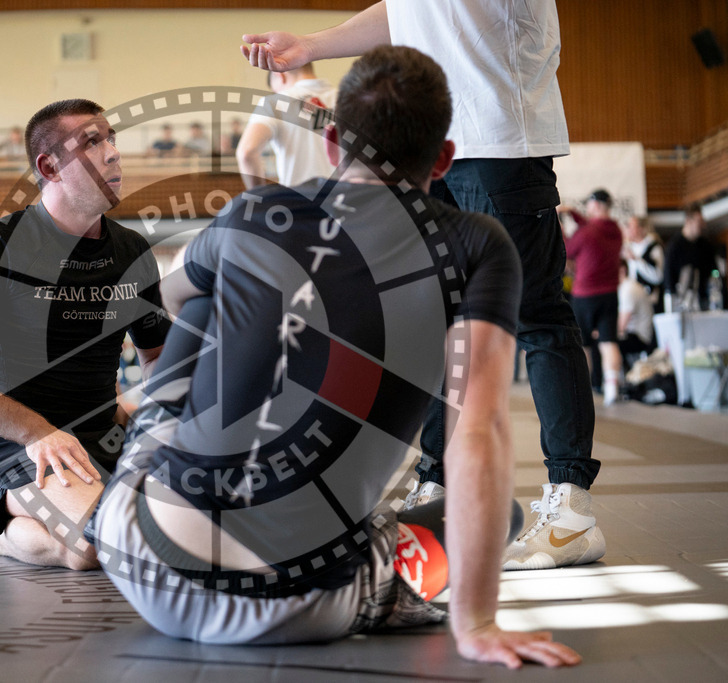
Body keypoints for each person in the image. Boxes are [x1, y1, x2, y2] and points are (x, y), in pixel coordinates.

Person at [94, 45, 579, 669]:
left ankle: (163, 458)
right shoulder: (476, 246)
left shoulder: (249, 211)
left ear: (329, 145)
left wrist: (176, 415)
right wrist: (477, 622)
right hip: (288, 606)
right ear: (444, 160)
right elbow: (477, 433)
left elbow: (157, 302)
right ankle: (385, 575)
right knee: (500, 515)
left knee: (201, 296)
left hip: (141, 555)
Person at [241, 1, 604, 572]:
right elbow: (408, 11)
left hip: (501, 139)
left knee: (536, 318)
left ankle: (572, 510)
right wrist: (312, 45)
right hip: (430, 146)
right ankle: (435, 487)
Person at [0, 98, 170, 571]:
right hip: (17, 446)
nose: (114, 153)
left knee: (196, 515)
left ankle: (40, 526)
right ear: (49, 166)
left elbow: (158, 356)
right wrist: (37, 433)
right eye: (93, 143)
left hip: (106, 437)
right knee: (100, 543)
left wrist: (154, 420)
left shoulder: (132, 251)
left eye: (112, 139)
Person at [561, 189, 624, 406]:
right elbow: (591, 226)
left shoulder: (587, 233)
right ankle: (611, 388)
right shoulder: (616, 231)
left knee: (584, 345)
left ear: (595, 206)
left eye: (588, 206)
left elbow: (567, 250)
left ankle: (584, 391)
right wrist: (574, 214)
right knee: (609, 343)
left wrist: (559, 227)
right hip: (610, 295)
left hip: (585, 296)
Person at [236, 63, 336, 189]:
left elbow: (247, 152)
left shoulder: (274, 103)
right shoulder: (349, 98)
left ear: (280, 75)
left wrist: (259, 199)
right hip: (346, 200)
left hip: (299, 202)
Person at [664, 203, 723, 311]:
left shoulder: (705, 245)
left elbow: (714, 271)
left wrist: (715, 280)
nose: (702, 225)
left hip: (703, 300)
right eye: (699, 222)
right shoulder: (674, 246)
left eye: (702, 222)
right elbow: (668, 278)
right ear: (688, 221)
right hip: (682, 302)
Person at [622, 215, 664, 312]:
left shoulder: (654, 247)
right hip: (632, 298)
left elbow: (658, 276)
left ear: (641, 228)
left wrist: (636, 260)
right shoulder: (628, 247)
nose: (627, 229)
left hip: (650, 299)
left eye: (630, 226)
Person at [617, 259, 655, 366]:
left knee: (606, 343)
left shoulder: (628, 288)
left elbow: (621, 325)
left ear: (622, 270)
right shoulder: (626, 287)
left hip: (640, 337)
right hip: (634, 334)